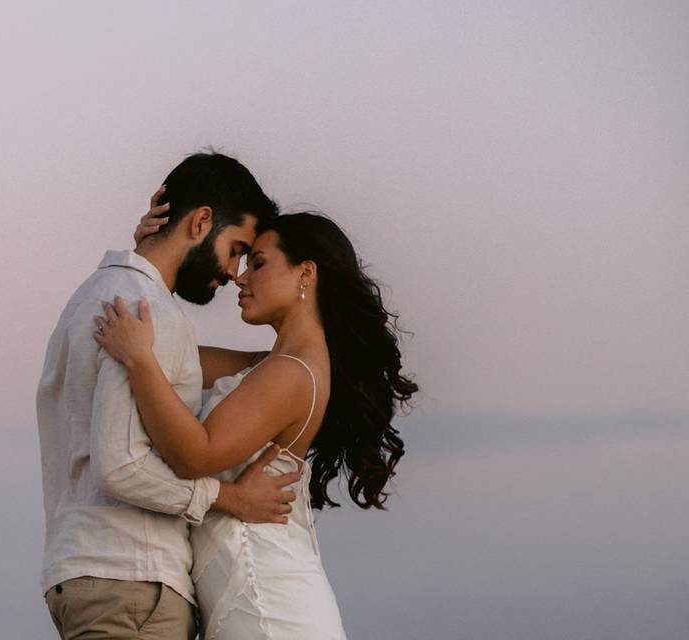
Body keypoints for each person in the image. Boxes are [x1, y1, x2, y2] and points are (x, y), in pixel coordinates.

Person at [94, 211, 419, 638]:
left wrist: (138, 362)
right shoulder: (272, 365)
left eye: (259, 264)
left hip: (268, 609)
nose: (241, 279)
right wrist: (152, 257)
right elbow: (169, 348)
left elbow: (196, 454)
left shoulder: (291, 374)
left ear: (306, 274)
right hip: (255, 601)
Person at [37, 151, 299, 640]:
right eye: (237, 248)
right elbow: (121, 468)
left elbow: (180, 368)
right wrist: (231, 497)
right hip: (132, 582)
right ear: (202, 221)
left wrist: (278, 361)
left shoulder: (94, 296)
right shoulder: (143, 308)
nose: (233, 273)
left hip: (89, 574)